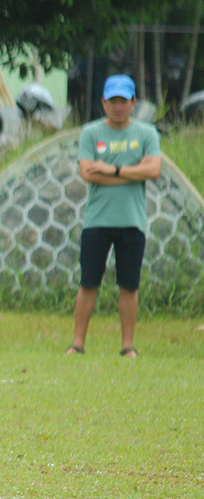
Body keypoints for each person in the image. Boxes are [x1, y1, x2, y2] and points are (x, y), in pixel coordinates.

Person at [67, 74, 160, 358]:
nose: (118, 106)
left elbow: (154, 171)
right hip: (97, 220)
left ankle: (127, 346)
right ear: (103, 103)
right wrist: (133, 173)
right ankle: (78, 343)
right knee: (88, 282)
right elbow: (87, 173)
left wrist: (111, 170)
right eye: (112, 101)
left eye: (123, 101)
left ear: (133, 102)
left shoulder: (146, 134)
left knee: (129, 285)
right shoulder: (91, 133)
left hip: (132, 220)